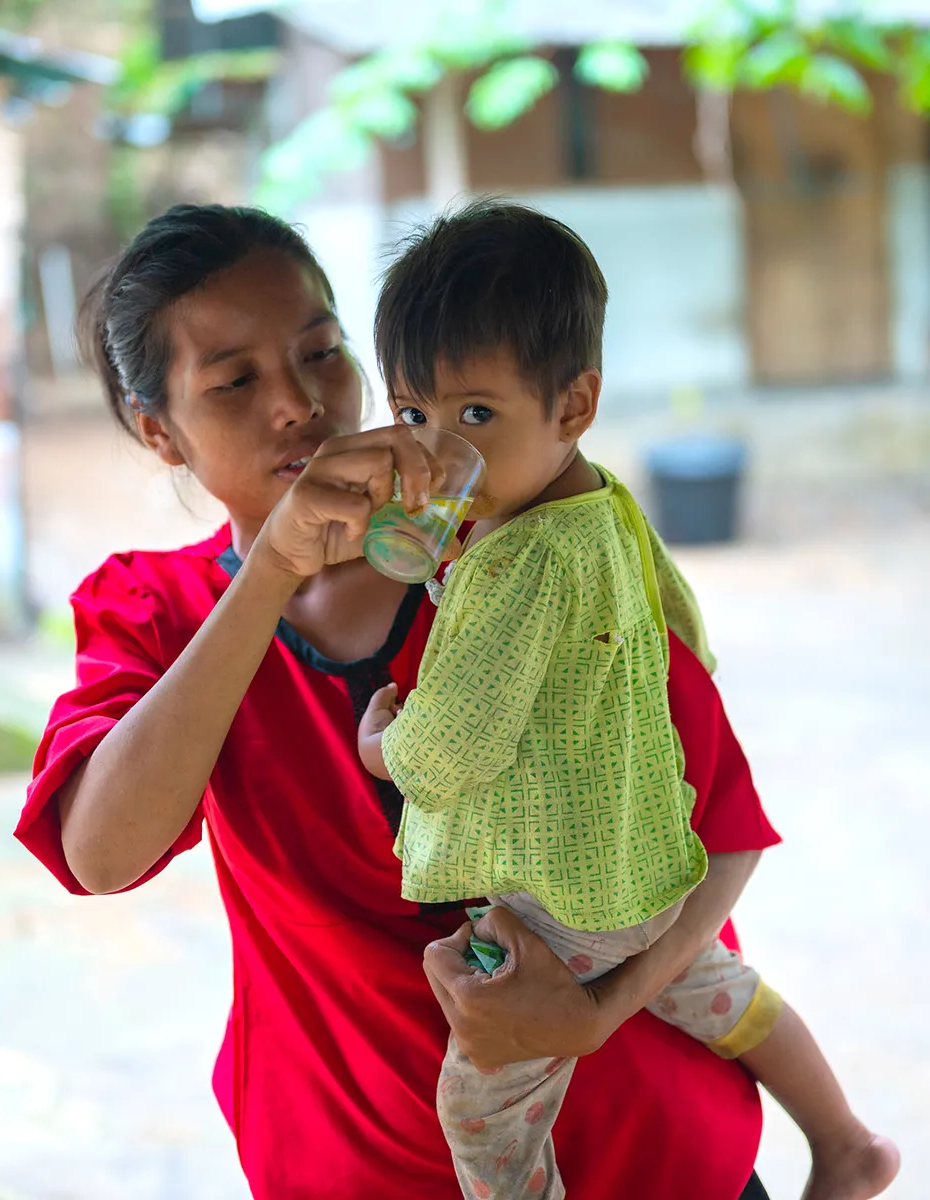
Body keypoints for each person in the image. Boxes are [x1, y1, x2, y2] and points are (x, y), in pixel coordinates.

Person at [16, 202, 781, 1199]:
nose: (298, 403)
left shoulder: (531, 555)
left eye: (322, 351)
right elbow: (102, 853)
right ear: (159, 432)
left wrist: (598, 1012)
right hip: (360, 1159)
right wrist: (272, 570)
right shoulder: (156, 614)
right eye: (235, 380)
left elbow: (716, 820)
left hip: (644, 1143)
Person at [357, 201, 900, 1200]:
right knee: (715, 989)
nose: (439, 452)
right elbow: (676, 617)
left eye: (475, 414)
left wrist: (383, 744)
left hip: (555, 903)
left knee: (477, 1109)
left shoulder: (514, 562)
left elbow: (452, 751)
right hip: (641, 861)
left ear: (572, 405)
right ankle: (844, 1140)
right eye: (411, 414)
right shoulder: (595, 496)